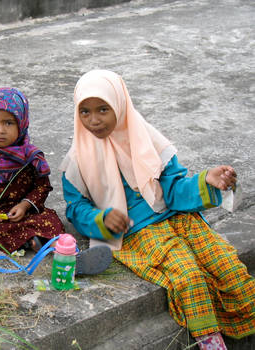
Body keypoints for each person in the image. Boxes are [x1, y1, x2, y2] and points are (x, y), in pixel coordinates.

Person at [60, 69, 255, 349]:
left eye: (103, 109)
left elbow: (174, 189)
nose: (94, 120)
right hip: (139, 230)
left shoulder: (147, 140)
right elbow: (75, 208)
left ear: (120, 104)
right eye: (85, 112)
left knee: (226, 265)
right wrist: (100, 219)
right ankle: (211, 342)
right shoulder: (77, 160)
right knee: (189, 276)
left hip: (178, 217)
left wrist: (207, 181)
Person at [0, 87, 112, 275]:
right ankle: (31, 242)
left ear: (22, 124)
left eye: (9, 123)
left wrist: (25, 206)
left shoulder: (31, 158)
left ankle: (59, 253)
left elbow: (42, 187)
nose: (0, 130)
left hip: (24, 215)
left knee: (50, 221)